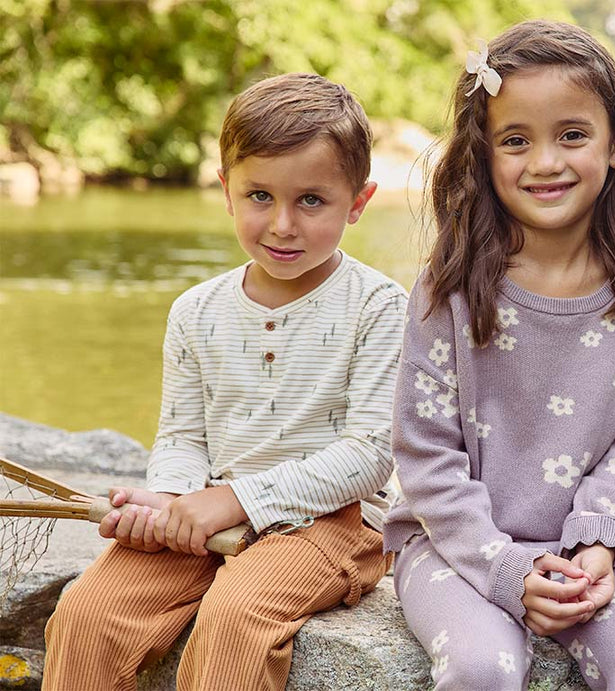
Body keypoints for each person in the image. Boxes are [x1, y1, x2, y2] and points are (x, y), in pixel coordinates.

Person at [43, 72, 406, 691]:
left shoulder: (380, 307)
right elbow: (183, 434)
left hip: (333, 522)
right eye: (259, 196)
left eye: (311, 201)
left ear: (359, 201)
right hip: (209, 501)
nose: (283, 224)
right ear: (227, 191)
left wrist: (233, 503)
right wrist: (169, 500)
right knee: (87, 613)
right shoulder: (195, 310)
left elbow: (369, 455)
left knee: (236, 617)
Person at [382, 19, 615, 690]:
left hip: (582, 548)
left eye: (572, 135)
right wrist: (505, 569)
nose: (546, 162)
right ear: (484, 155)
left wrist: (596, 540)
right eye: (516, 140)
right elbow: (426, 456)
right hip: (450, 544)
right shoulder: (451, 291)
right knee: (481, 666)